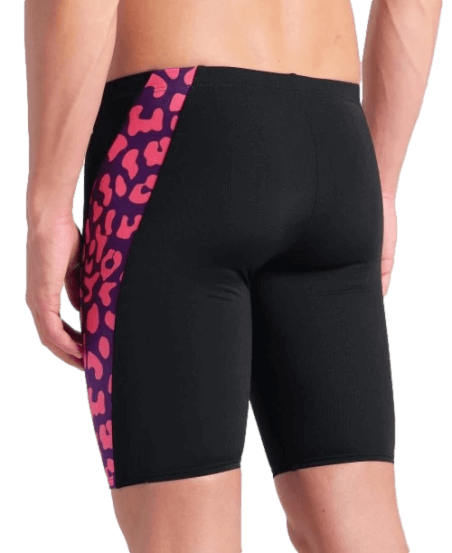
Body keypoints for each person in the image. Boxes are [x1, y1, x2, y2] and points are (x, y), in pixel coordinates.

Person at [24, 1, 442, 551]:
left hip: (170, 134)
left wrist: (49, 207)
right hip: (337, 140)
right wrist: (381, 190)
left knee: (180, 536)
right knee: (359, 527)